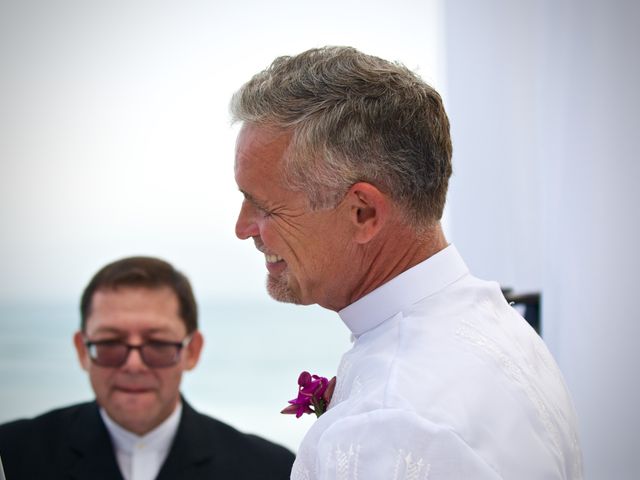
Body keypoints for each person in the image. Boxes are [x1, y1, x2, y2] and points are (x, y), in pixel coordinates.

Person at [230, 46, 583, 479]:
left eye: (266, 207)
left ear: (363, 213)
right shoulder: (500, 327)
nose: (244, 228)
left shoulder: (387, 421)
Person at [0, 256, 294, 479]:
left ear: (192, 351)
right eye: (111, 342)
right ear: (82, 350)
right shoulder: (11, 455)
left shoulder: (271, 470)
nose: (133, 364)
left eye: (157, 344)